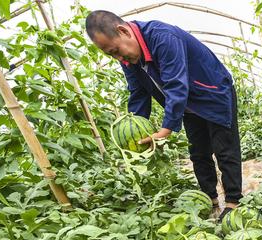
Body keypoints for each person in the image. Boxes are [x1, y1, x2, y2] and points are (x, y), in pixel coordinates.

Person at [85, 10, 242, 219]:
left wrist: (165, 129)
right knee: (198, 153)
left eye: (116, 51)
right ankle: (209, 198)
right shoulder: (128, 59)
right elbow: (138, 92)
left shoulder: (163, 37)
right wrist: (134, 128)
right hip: (188, 104)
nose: (118, 58)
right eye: (111, 55)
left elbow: (176, 84)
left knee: (225, 149)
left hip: (212, 92)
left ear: (123, 31)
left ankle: (232, 202)